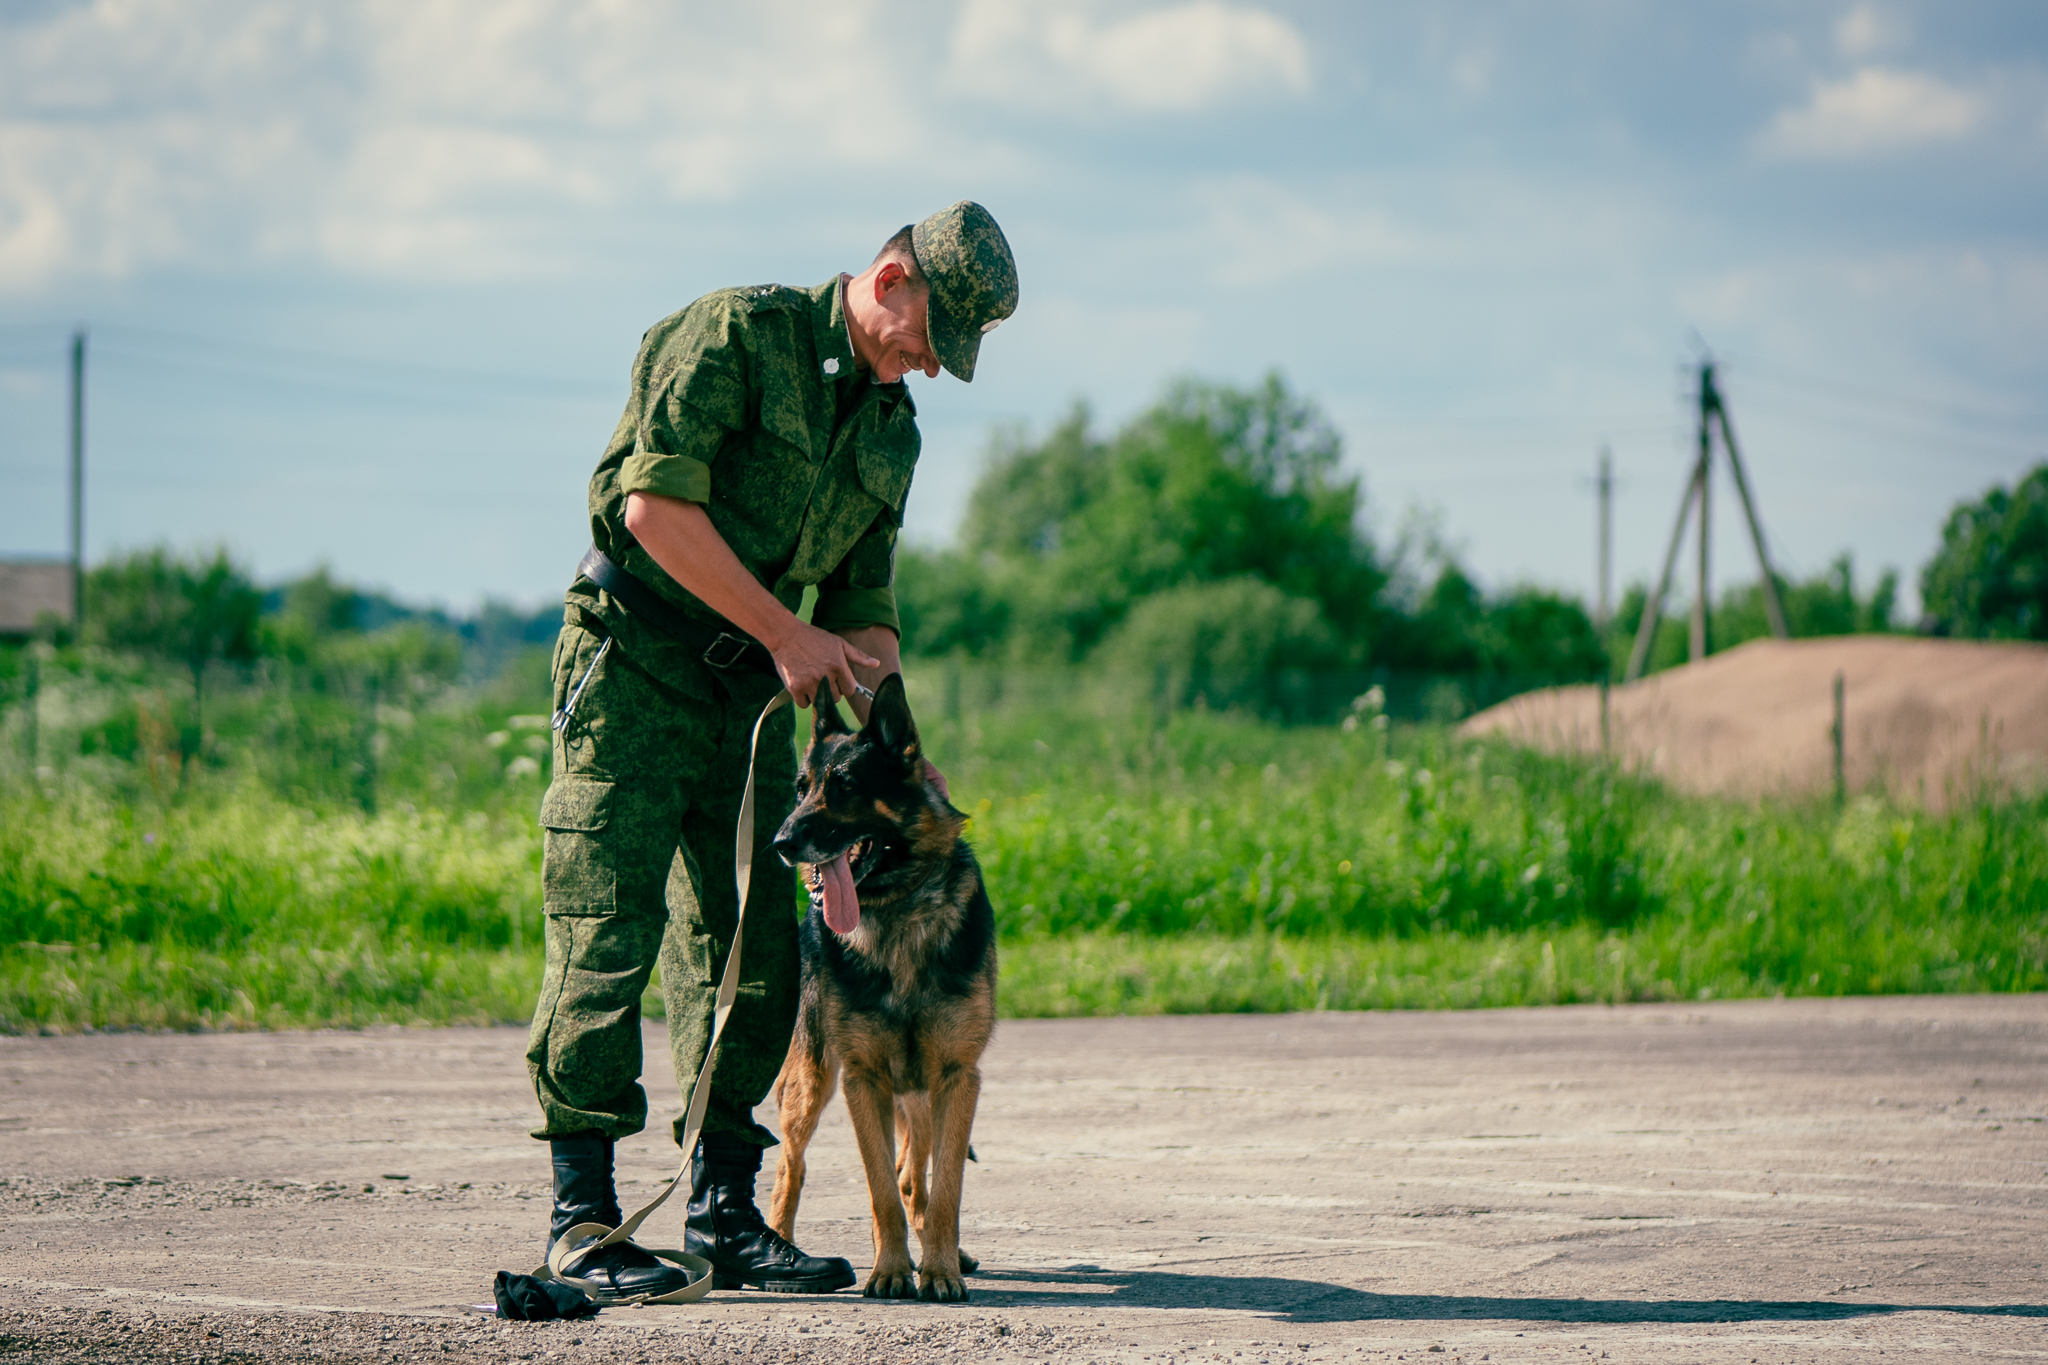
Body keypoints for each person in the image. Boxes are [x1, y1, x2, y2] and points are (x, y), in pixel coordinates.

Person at [525, 202, 1019, 1299]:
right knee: (608, 926)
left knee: (751, 951)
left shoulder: (890, 429)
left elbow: (862, 605)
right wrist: (785, 634)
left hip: (746, 695)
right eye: (935, 339)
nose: (933, 369)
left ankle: (726, 1216)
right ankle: (584, 1219)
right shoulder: (734, 338)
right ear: (892, 279)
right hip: (634, 668)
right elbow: (653, 508)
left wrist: (901, 756)